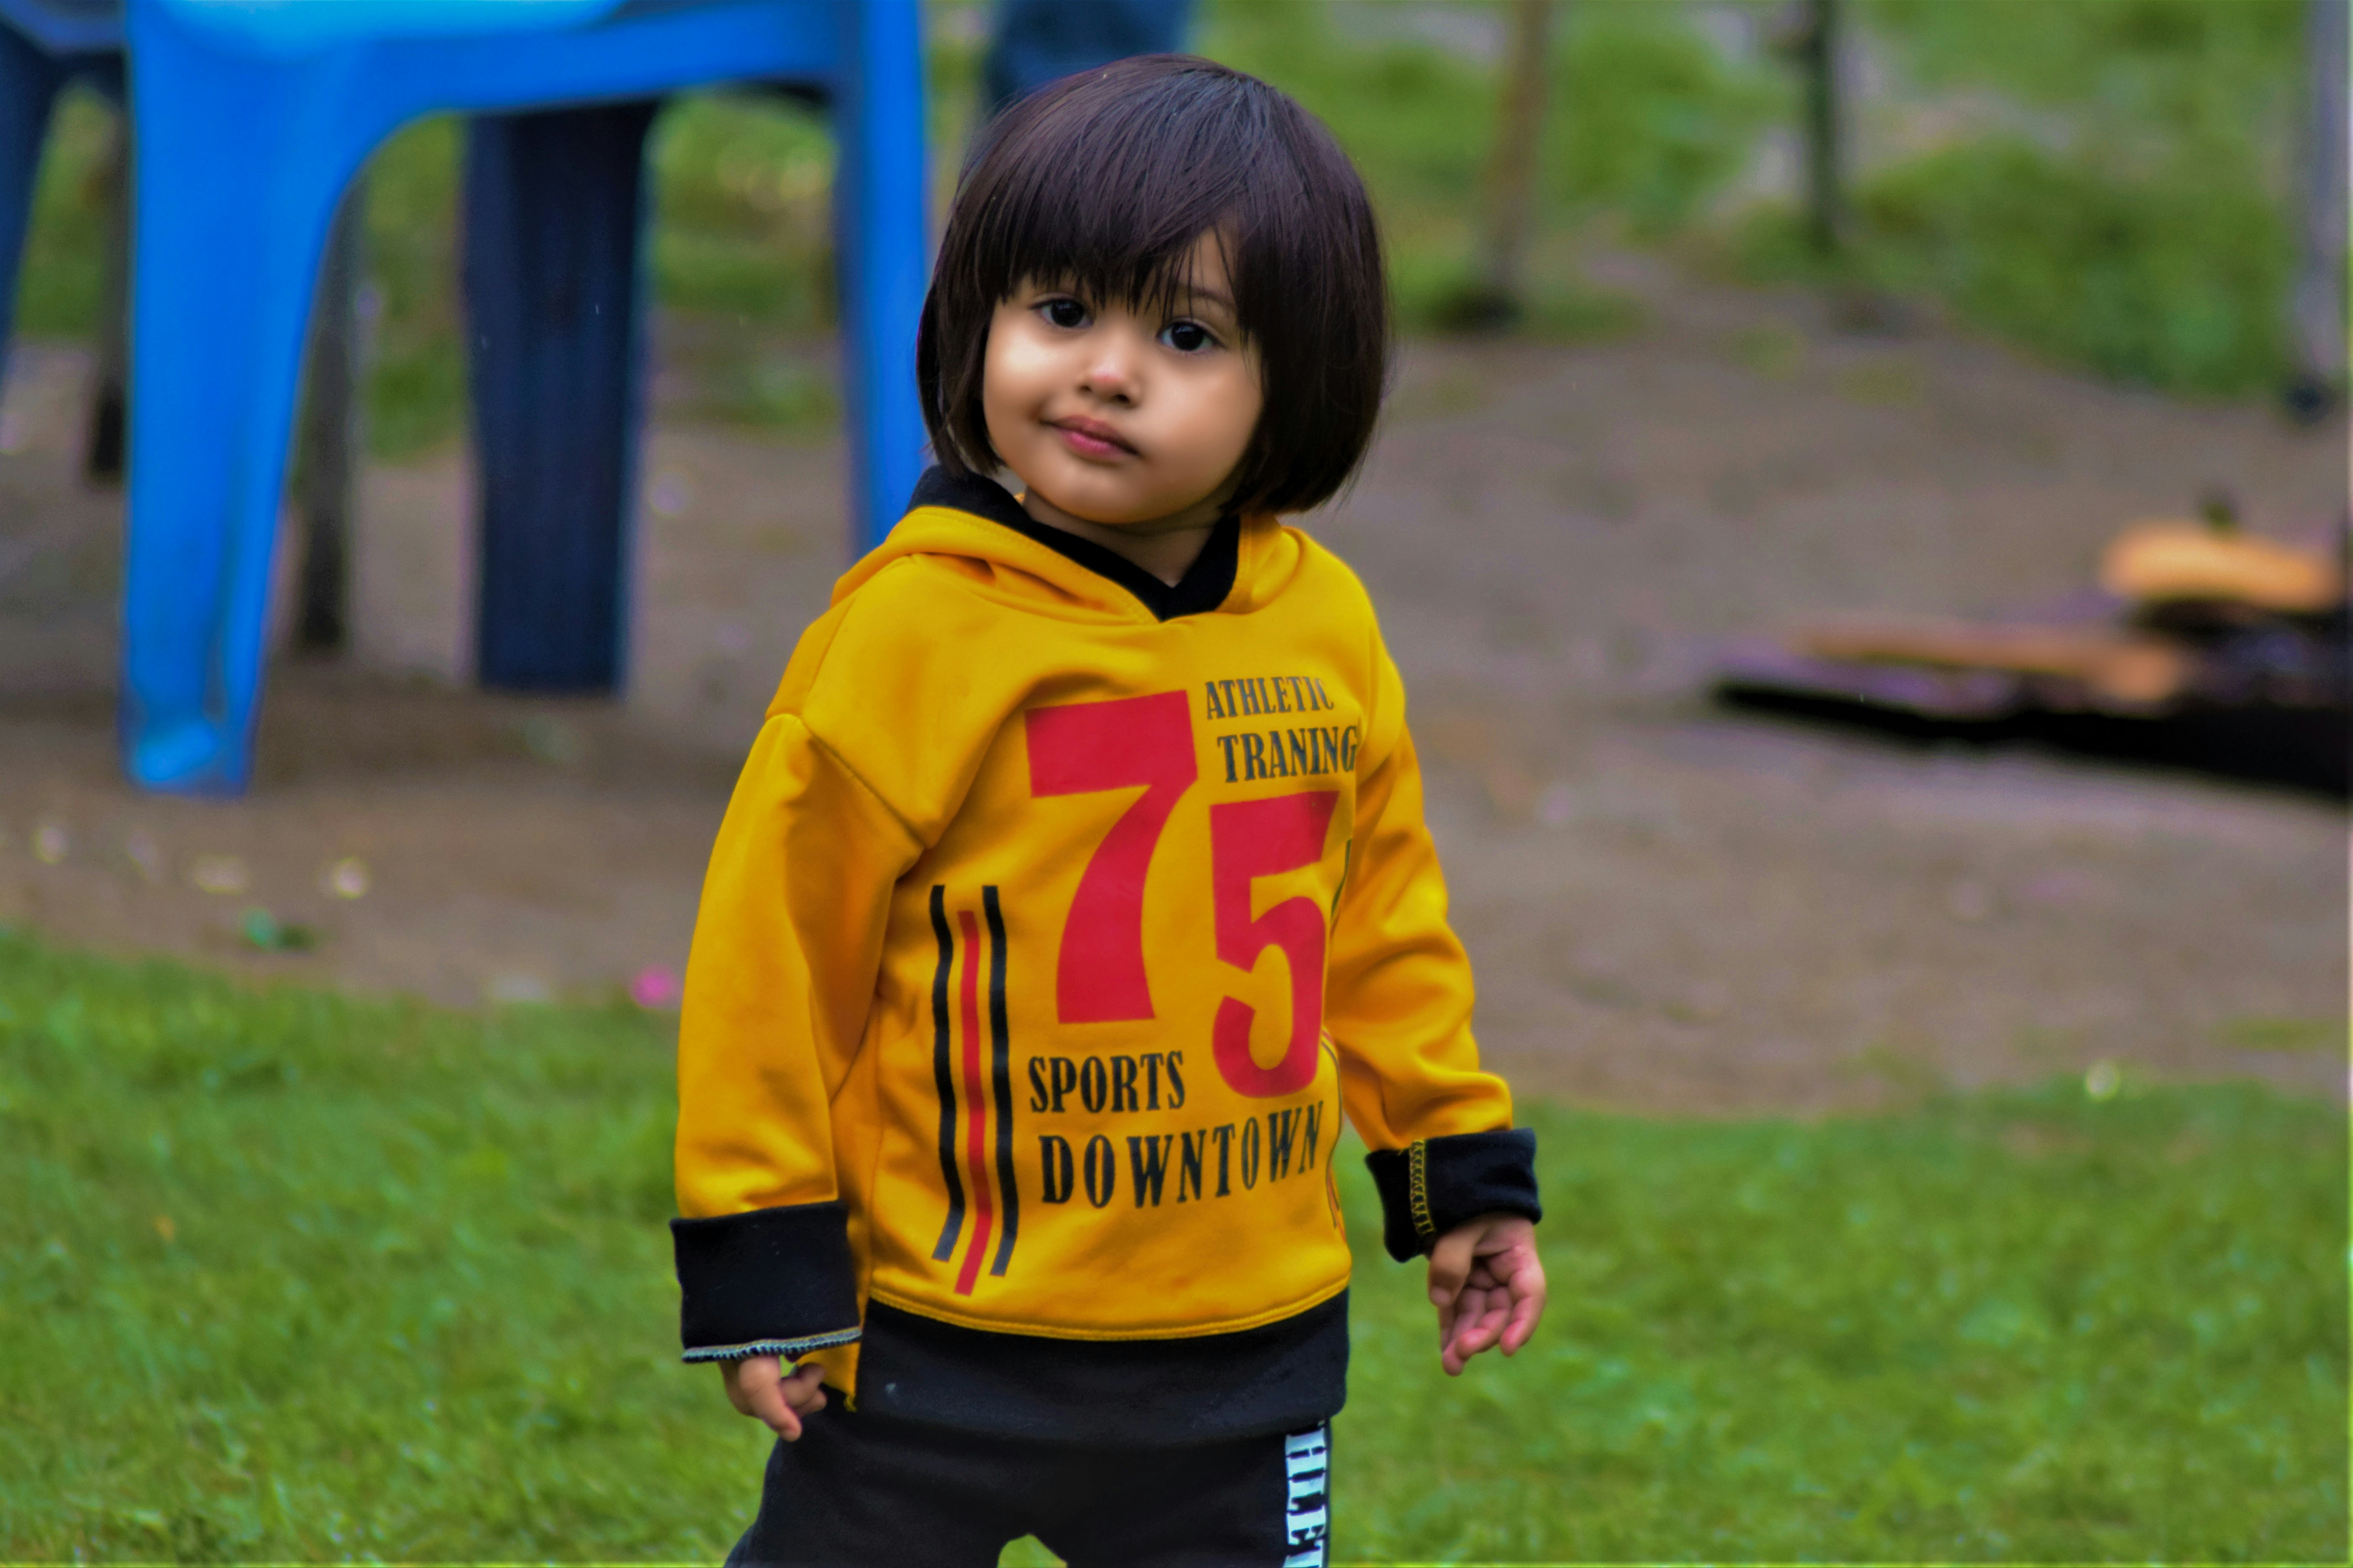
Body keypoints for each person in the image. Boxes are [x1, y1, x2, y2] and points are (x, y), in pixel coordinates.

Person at [671, 55, 1545, 1568]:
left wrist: (1452, 1170)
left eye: (1187, 334)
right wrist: (765, 1271)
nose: (1106, 369)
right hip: (933, 1349)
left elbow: (1382, 919)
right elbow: (772, 961)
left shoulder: (1321, 630)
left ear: (1299, 382)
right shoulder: (907, 640)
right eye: (1061, 311)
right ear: (979, 321)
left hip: (1238, 1360)